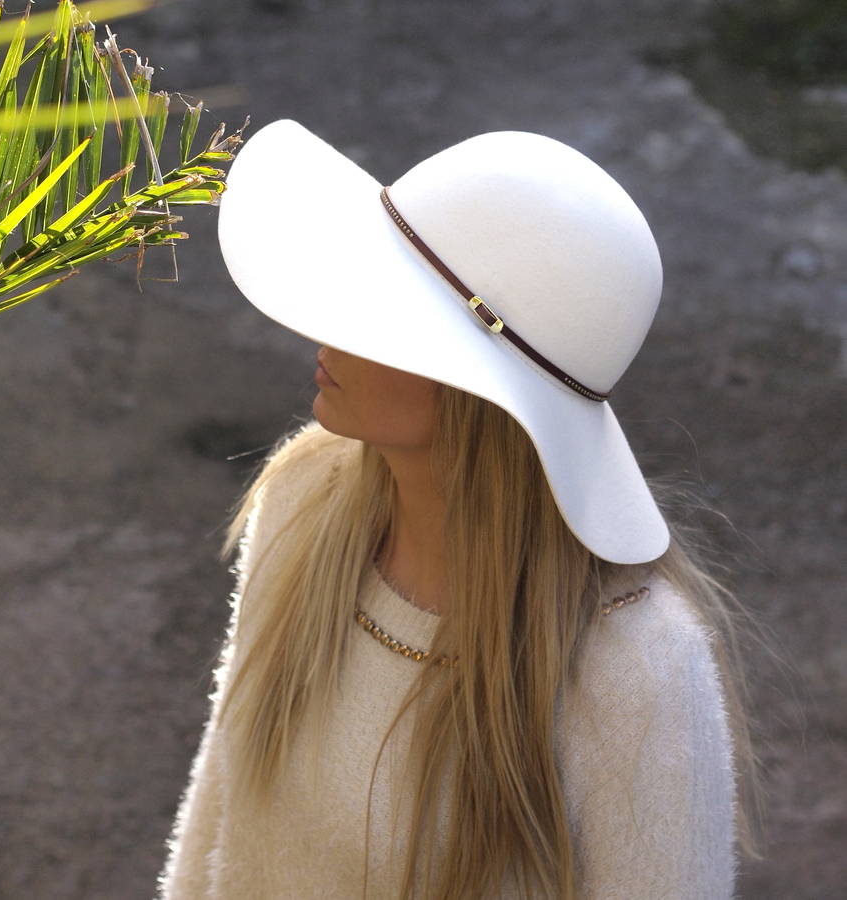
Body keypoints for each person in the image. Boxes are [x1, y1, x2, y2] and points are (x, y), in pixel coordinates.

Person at [156, 120, 759, 899]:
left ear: (481, 394)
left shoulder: (634, 671)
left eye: (385, 304)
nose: (328, 315)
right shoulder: (305, 501)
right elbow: (217, 820)